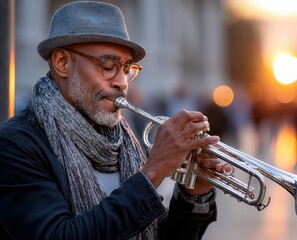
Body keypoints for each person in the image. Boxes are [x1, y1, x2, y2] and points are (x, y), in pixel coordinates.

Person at [0, 1, 227, 239]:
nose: (122, 82)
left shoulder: (123, 142)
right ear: (62, 63)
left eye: (127, 68)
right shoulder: (15, 145)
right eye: (108, 66)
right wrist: (153, 172)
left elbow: (152, 232)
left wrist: (193, 196)